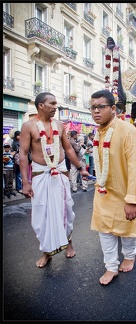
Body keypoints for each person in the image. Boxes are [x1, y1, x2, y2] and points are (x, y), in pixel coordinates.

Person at [19, 92, 89, 268]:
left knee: (66, 209)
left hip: (60, 172)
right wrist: (25, 183)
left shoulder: (59, 124)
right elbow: (23, 154)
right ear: (41, 105)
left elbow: (68, 149)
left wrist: (81, 168)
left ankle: (69, 243)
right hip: (40, 175)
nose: (56, 106)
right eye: (52, 103)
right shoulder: (28, 126)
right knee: (42, 214)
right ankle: (47, 252)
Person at [89, 90, 136, 285]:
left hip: (124, 192)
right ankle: (111, 266)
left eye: (101, 107)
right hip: (103, 192)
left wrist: (132, 199)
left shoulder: (128, 131)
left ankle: (129, 256)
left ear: (113, 108)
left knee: (127, 228)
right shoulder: (98, 131)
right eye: (93, 107)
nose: (96, 111)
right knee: (104, 230)